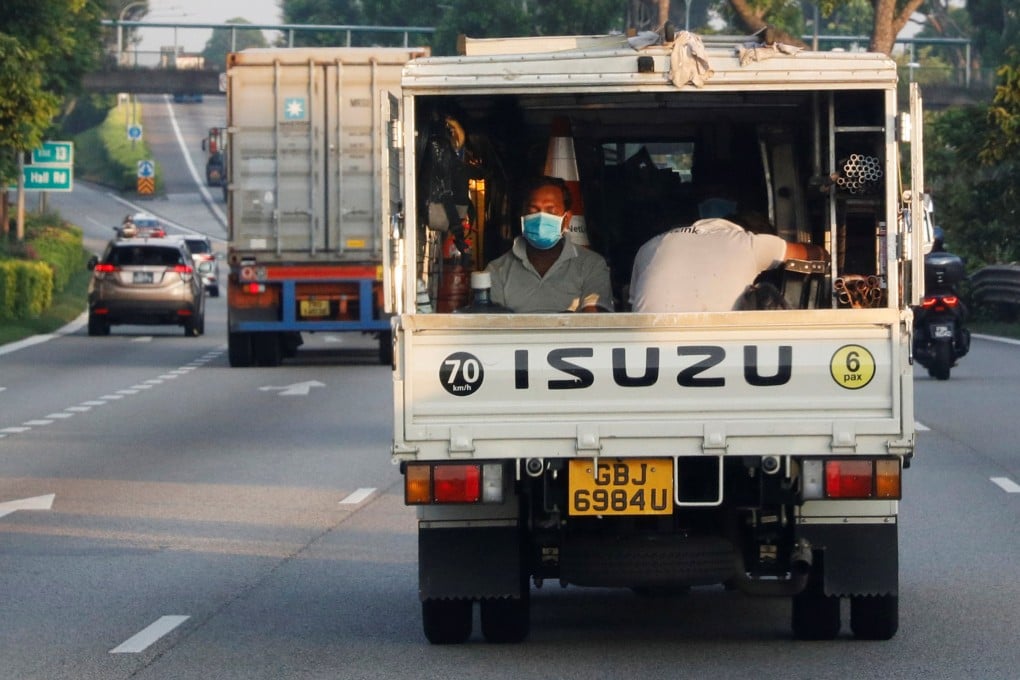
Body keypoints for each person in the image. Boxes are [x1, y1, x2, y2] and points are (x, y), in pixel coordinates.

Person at [630, 211, 826, 313]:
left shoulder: (651, 245)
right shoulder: (750, 243)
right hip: (721, 348)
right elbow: (815, 254)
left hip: (650, 355)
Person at [486, 175, 614, 312]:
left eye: (551, 211)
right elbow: (493, 324)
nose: (541, 218)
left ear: (566, 219)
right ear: (522, 215)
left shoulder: (591, 265)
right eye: (533, 210)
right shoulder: (497, 270)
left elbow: (593, 323)